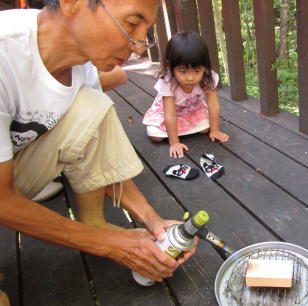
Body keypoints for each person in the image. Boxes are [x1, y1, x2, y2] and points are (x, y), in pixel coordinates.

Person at [0, 0, 197, 300]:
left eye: (146, 33)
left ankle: (94, 223)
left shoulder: (83, 66)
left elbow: (93, 141)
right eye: (132, 24)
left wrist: (153, 222)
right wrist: (111, 244)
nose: (140, 48)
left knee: (93, 107)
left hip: (13, 173)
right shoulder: (6, 51)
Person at [142, 31, 230, 158]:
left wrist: (215, 130)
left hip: (192, 110)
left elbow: (213, 105)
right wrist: (174, 143)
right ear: (170, 66)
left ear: (205, 67)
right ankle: (177, 134)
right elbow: (170, 114)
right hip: (168, 113)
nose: (190, 78)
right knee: (154, 136)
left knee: (206, 128)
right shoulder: (168, 82)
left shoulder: (208, 78)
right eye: (183, 71)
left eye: (197, 71)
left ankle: (184, 129)